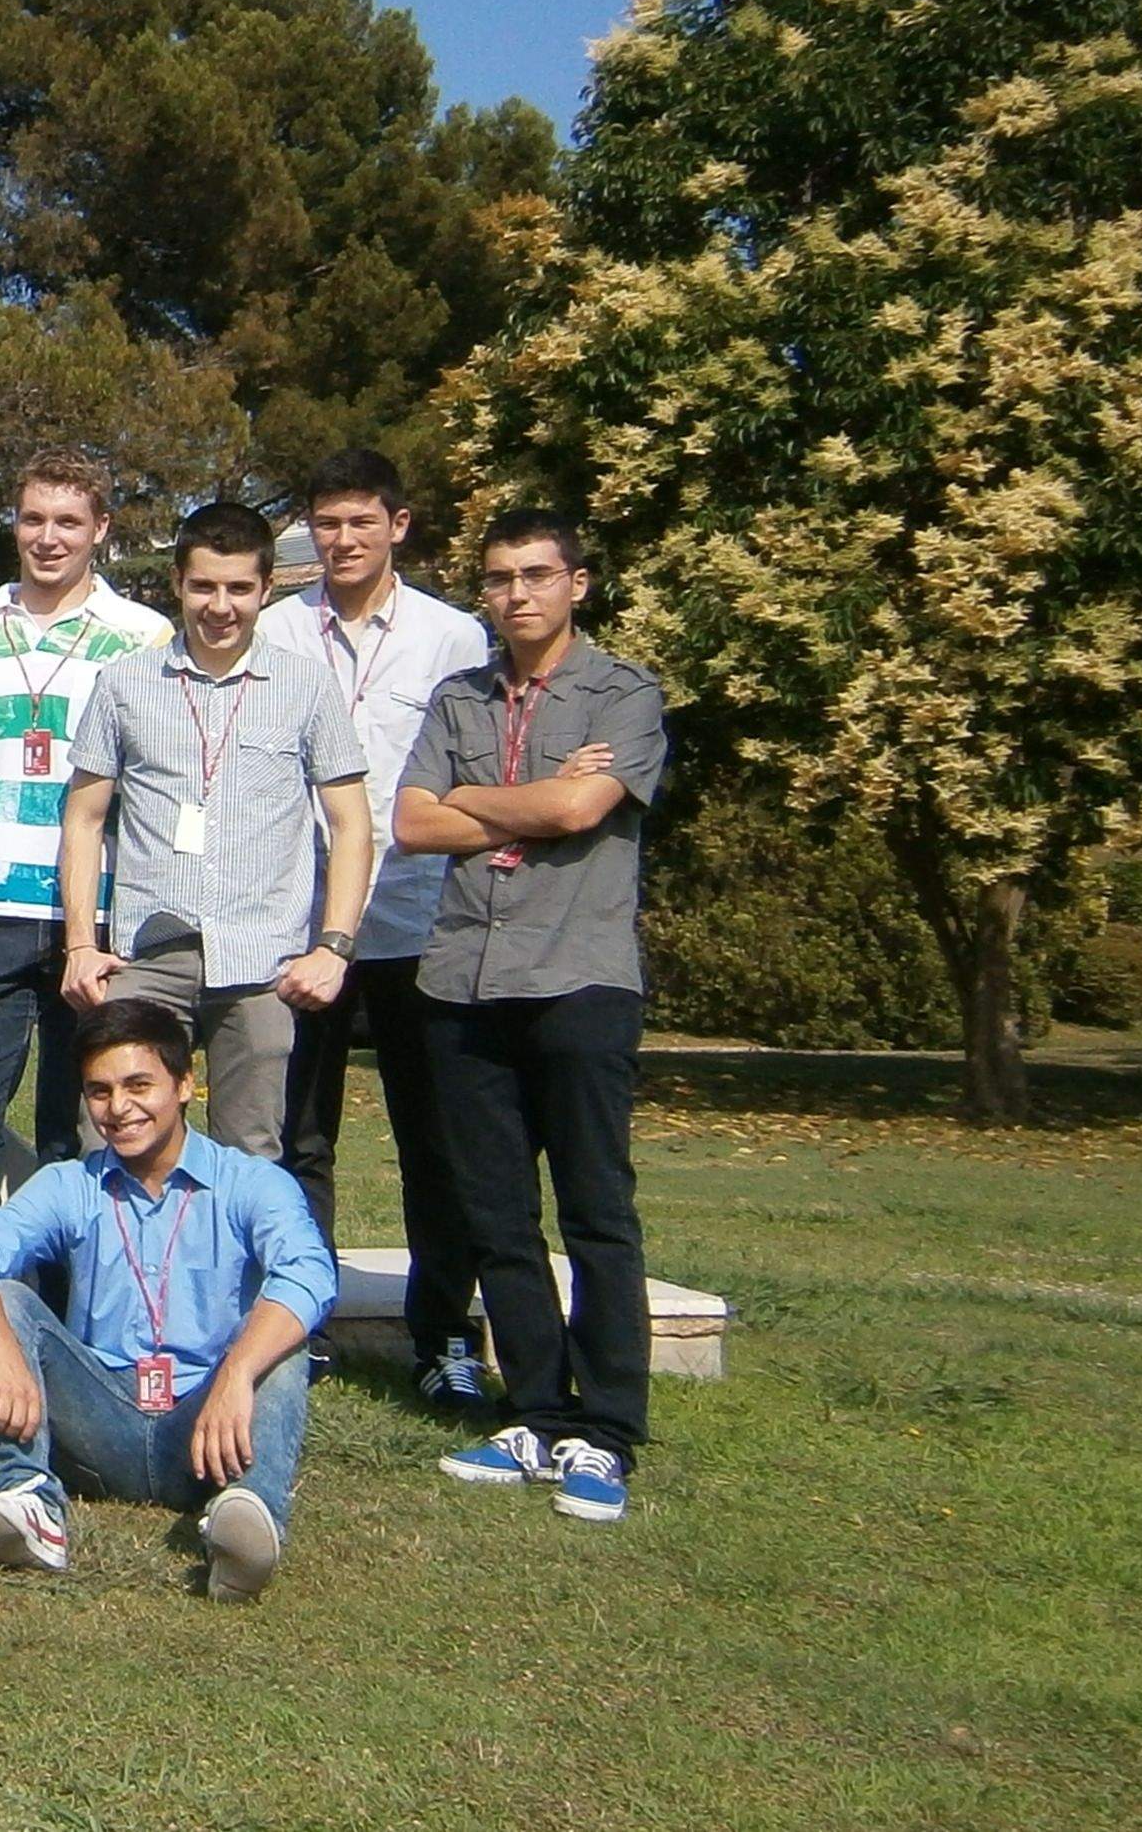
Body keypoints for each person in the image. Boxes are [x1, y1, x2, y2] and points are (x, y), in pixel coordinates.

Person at [396, 509, 670, 1525]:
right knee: (497, 1215)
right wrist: (533, 792)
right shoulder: (457, 696)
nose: (516, 593)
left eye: (537, 574)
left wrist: (479, 796)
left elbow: (578, 812)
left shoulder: (622, 692)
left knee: (595, 1210)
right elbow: (411, 821)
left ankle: (608, 1427)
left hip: (578, 977)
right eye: (500, 577)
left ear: (576, 584)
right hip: (463, 981)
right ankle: (537, 1412)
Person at [0, 1000, 338, 1603]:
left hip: (207, 1426)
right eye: (99, 1092)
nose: (119, 1108)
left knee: (280, 1343)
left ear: (185, 1085)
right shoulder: (71, 1184)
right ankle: (28, 1500)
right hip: (98, 1421)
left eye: (138, 1085)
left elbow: (309, 1273)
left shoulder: (250, 1182)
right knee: (8, 1301)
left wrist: (236, 1374)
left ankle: (244, 1519)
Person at [257, 450, 497, 1405]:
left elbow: (476, 770)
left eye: (361, 521)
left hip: (414, 920)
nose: (343, 539)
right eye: (327, 522)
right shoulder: (276, 629)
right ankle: (301, 1328)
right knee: (296, 1140)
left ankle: (442, 1334)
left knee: (433, 1141)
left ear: (399, 524)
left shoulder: (452, 636)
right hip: (294, 924)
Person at [0, 451, 175, 1244]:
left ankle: (68, 1304)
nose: (48, 537)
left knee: (81, 1139)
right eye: (33, 518)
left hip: (97, 919)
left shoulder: (145, 637)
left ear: (101, 529)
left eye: (67, 521)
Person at [55, 501, 374, 1158]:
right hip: (150, 953)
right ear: (178, 582)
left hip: (261, 958)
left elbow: (351, 824)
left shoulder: (307, 687)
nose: (220, 606)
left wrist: (334, 947)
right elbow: (83, 818)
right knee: (112, 1137)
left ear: (265, 589)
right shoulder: (124, 684)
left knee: (250, 1152)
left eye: (238, 588)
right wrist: (81, 945)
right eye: (203, 586)